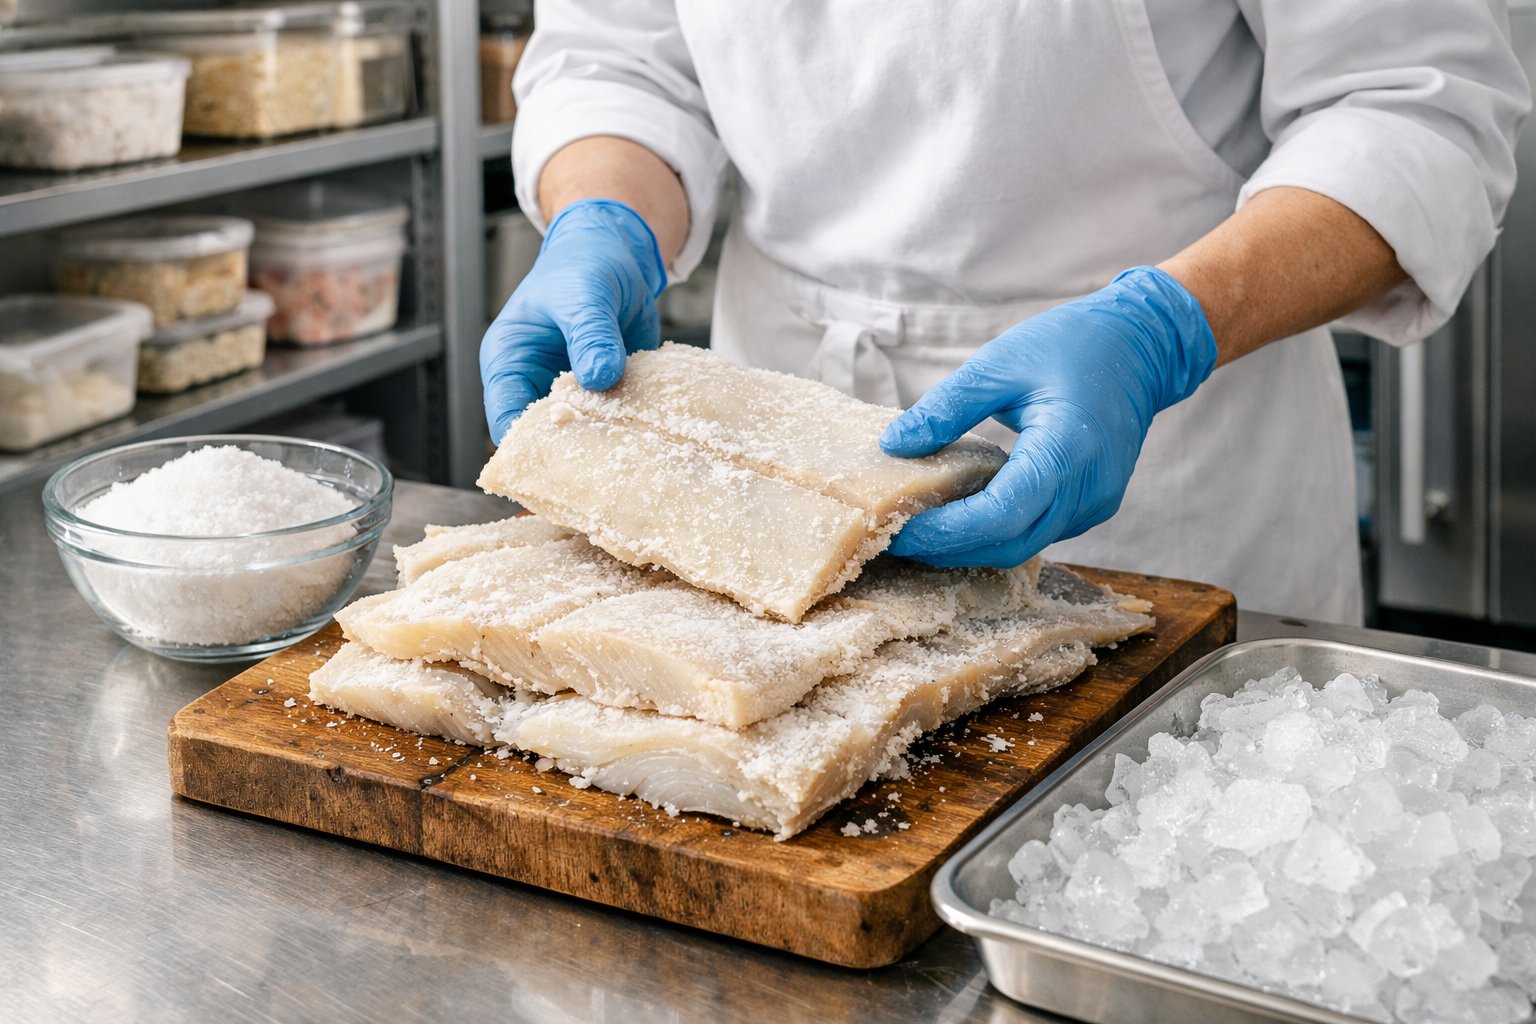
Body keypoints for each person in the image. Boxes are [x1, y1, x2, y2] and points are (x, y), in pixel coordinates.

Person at [480, 3, 1529, 624]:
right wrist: (605, 215)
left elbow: (1414, 109)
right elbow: (622, 58)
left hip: (1173, 459)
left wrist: (1163, 329)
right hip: (777, 445)